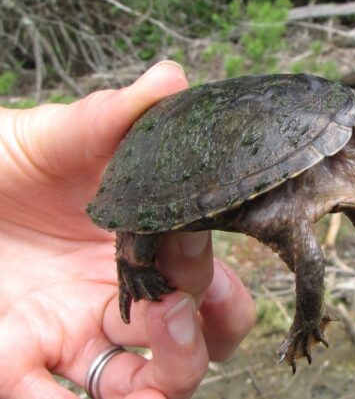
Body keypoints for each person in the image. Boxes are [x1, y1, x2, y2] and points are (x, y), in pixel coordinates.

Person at [0, 61, 256, 399]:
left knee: (163, 285)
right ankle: (134, 263)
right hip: (141, 199)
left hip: (155, 193)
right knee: (147, 263)